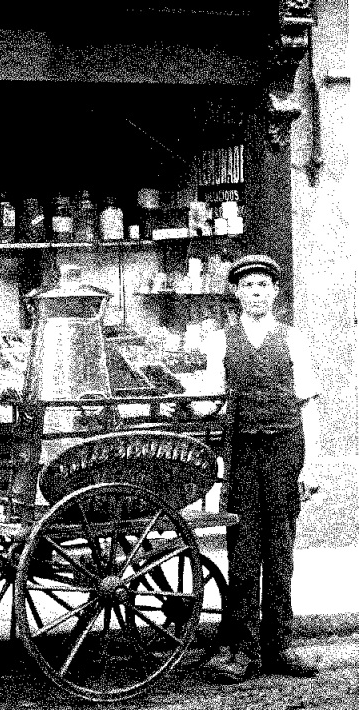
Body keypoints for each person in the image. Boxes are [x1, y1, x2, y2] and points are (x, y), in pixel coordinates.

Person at [202, 254, 322, 682]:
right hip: (241, 454)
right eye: (248, 285)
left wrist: (310, 469)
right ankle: (242, 650)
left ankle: (278, 648)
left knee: (281, 549)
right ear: (236, 292)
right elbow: (211, 404)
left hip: (285, 450)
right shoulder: (220, 341)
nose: (256, 292)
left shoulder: (293, 339)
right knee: (244, 548)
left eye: (264, 285)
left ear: (275, 292)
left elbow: (308, 405)